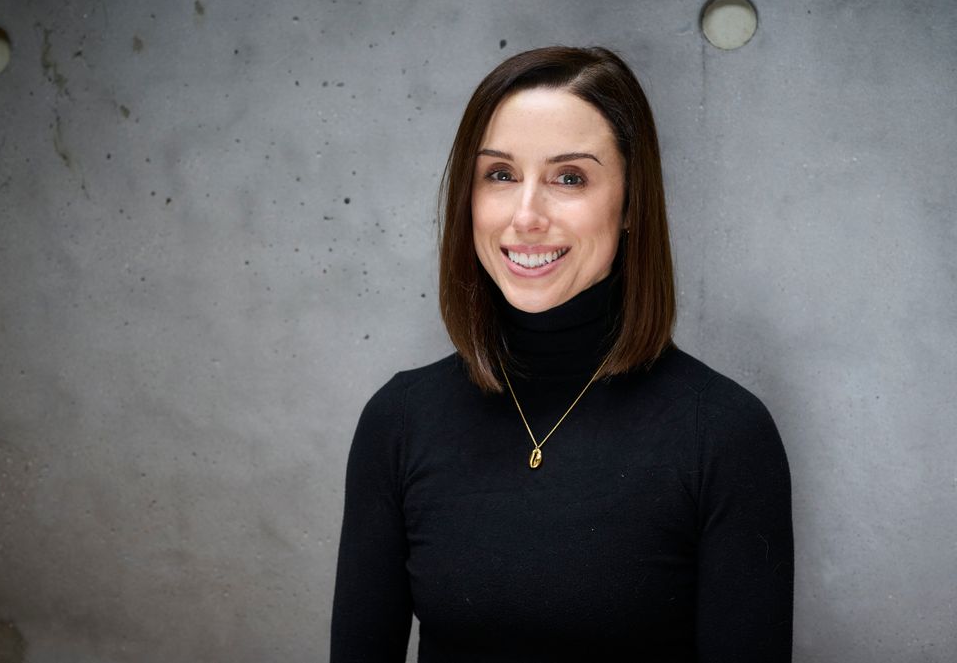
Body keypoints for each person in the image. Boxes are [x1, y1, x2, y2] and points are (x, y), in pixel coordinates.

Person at [331, 46, 793, 662]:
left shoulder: (725, 434)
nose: (526, 216)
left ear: (631, 204)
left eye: (569, 178)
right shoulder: (400, 421)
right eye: (499, 175)